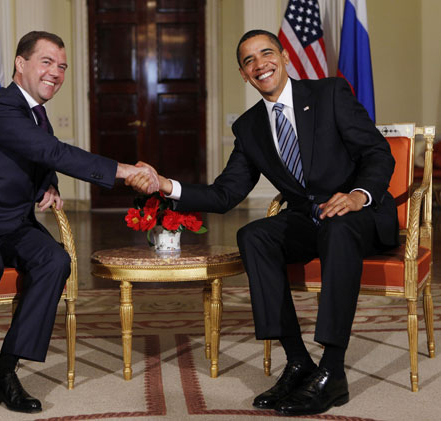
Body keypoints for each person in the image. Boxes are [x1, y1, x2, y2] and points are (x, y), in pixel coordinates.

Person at [129, 30, 398, 416]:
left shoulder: (329, 94)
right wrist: (164, 184)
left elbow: (378, 153)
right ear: (244, 74)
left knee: (338, 227)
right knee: (254, 235)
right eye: (250, 61)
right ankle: (297, 361)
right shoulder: (250, 127)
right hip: (312, 219)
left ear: (284, 56)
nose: (260, 64)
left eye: (266, 54)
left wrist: (358, 195)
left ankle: (333, 371)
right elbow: (224, 195)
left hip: (362, 215)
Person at [0, 31, 158, 420]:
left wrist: (49, 183)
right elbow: (50, 150)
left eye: (62, 66)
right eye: (47, 62)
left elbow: (41, 158)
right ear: (21, 63)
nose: (56, 72)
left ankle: (3, 372)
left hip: (14, 223)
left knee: (55, 260)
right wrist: (124, 171)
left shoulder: (36, 115)